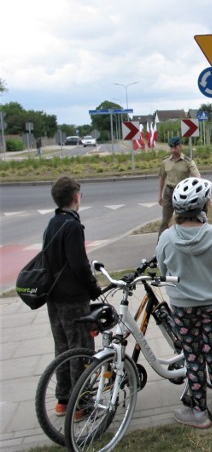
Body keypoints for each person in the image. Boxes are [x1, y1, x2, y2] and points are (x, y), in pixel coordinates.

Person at [156, 177, 212, 429]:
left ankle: (198, 412)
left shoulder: (166, 238)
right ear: (204, 208)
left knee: (193, 356)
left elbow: (162, 270)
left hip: (183, 307)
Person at [43, 177, 103, 418]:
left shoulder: (52, 222)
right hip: (73, 299)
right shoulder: (73, 226)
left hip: (53, 298)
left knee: (63, 349)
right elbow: (79, 265)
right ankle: (82, 404)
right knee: (81, 349)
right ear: (76, 197)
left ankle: (63, 400)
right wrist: (93, 288)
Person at [158, 137, 200, 238]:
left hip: (182, 193)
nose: (173, 150)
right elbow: (162, 178)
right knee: (165, 221)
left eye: (175, 147)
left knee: (181, 220)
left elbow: (198, 178)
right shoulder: (165, 162)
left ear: (180, 146)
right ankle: (160, 247)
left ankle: (181, 243)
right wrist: (160, 195)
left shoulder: (187, 162)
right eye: (171, 148)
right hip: (168, 192)